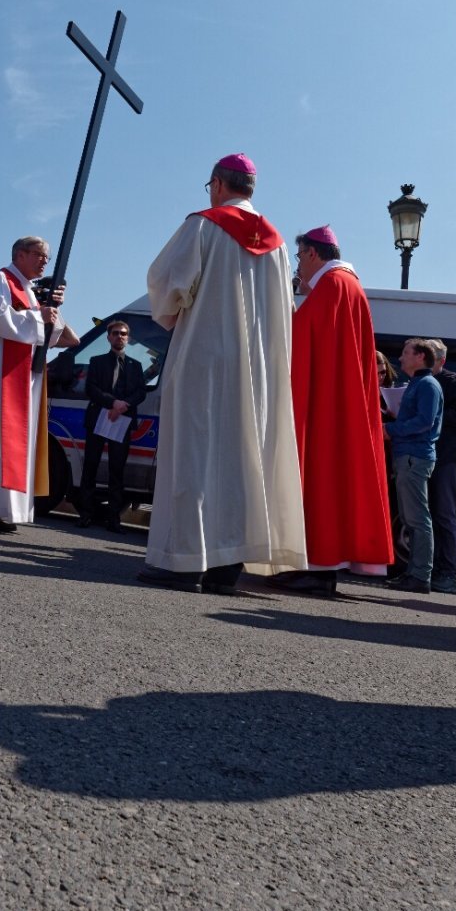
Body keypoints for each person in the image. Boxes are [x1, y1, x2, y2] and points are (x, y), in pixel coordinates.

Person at [138, 153, 306, 594]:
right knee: (243, 461)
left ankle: (183, 560)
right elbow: (287, 310)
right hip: (258, 371)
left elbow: (167, 283)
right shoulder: (279, 245)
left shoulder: (203, 224)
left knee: (193, 455)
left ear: (217, 184)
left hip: (204, 359)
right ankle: (227, 563)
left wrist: (173, 315)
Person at [286, 226, 393, 596]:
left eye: (299, 256)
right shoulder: (349, 285)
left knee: (323, 478)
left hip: (325, 404)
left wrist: (280, 315)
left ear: (314, 254)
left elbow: (299, 336)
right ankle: (317, 565)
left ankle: (320, 567)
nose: (298, 266)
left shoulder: (331, 285)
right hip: (339, 399)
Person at [0, 239, 78, 533]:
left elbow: (58, 335)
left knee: (6, 447)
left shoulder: (30, 292)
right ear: (19, 254)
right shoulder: (0, 280)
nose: (44, 261)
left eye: (46, 257)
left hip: (19, 379)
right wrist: (39, 316)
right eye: (38, 255)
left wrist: (52, 308)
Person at [383, 338, 443, 593]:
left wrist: (389, 429)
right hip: (410, 455)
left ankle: (419, 576)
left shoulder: (427, 384)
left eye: (406, 353)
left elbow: (424, 421)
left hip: (413, 457)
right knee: (412, 518)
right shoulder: (421, 384)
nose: (401, 358)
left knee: (417, 519)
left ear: (420, 357)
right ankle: (414, 574)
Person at [76, 320, 147, 533]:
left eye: (123, 334)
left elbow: (140, 392)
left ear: (128, 338)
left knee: (117, 470)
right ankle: (86, 515)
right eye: (115, 333)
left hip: (121, 422)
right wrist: (112, 403)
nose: (119, 337)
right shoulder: (96, 361)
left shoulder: (136, 366)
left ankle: (114, 519)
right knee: (90, 467)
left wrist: (123, 406)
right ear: (108, 337)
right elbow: (91, 389)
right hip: (99, 418)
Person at [426, 339, 456, 595]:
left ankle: (448, 574)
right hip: (425, 456)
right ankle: (427, 568)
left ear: (441, 360)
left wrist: (429, 411)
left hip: (445, 457)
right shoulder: (419, 380)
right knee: (426, 514)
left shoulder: (454, 381)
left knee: (445, 513)